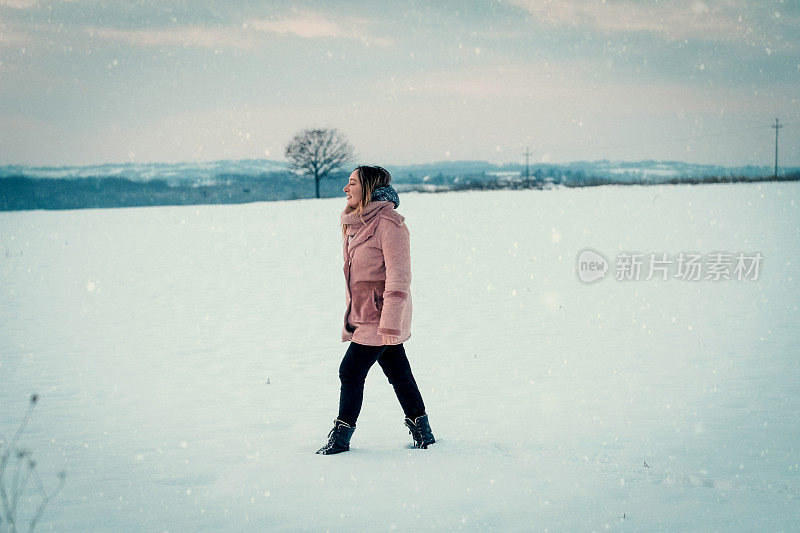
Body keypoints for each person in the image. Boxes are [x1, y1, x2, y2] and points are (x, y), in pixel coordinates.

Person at [316, 165, 436, 455]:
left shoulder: (390, 225)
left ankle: (341, 438)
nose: (346, 188)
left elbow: (399, 278)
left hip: (380, 318)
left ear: (368, 187)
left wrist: (390, 325)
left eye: (352, 183)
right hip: (364, 313)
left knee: (351, 370)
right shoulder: (357, 222)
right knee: (398, 371)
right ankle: (423, 432)